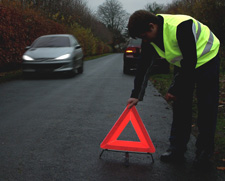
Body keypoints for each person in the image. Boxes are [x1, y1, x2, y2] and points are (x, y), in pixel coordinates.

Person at [127, 10, 220, 164]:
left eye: (144, 36)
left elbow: (190, 62)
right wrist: (136, 94)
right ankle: (177, 149)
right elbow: (143, 66)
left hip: (207, 58)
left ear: (152, 26)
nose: (144, 40)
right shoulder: (150, 38)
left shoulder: (180, 26)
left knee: (206, 105)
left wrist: (174, 89)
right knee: (181, 106)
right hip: (184, 63)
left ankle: (204, 150)